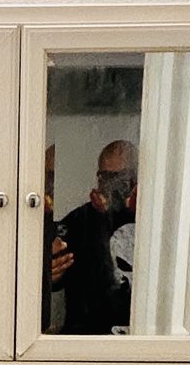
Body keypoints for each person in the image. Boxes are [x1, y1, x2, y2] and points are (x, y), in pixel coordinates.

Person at [47, 139, 137, 335]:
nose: (112, 184)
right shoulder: (79, 221)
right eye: (105, 176)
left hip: (139, 342)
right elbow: (51, 276)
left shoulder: (155, 223)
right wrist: (50, 274)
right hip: (85, 340)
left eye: (121, 176)